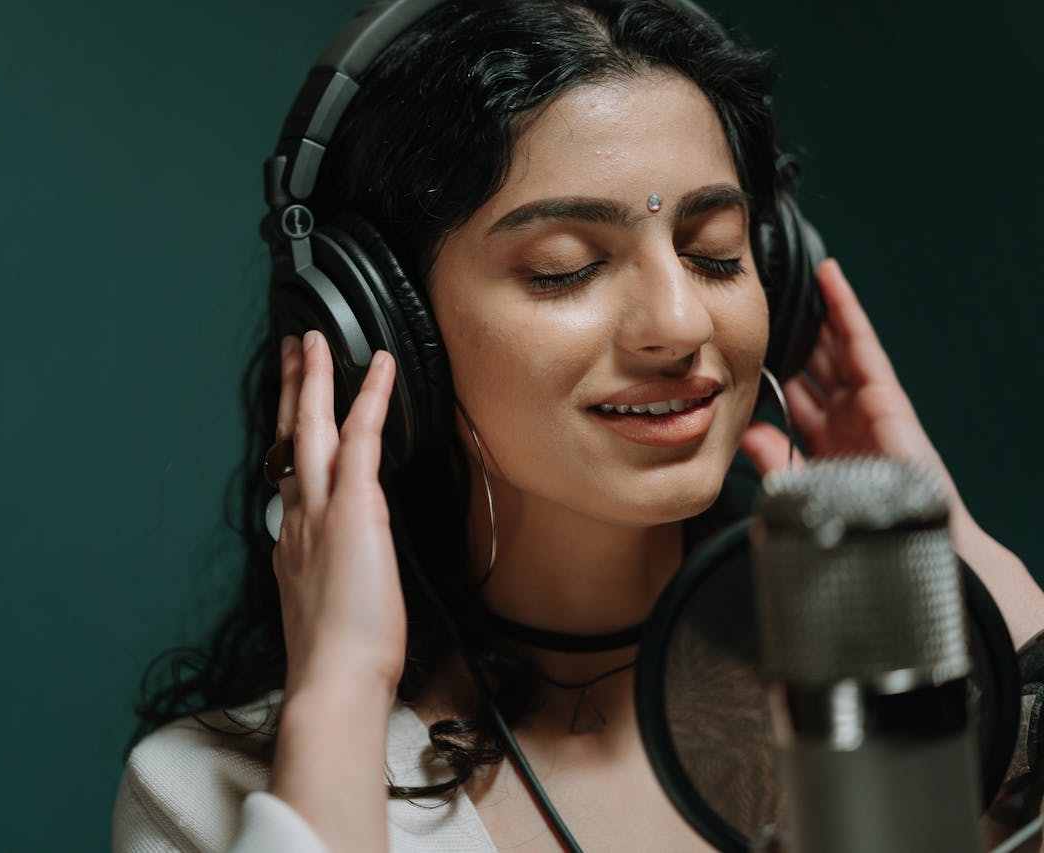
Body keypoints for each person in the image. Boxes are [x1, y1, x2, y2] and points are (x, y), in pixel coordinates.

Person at [113, 0, 1044, 850]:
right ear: (382, 336)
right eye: (564, 268)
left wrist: (980, 584)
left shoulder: (920, 714)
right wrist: (342, 698)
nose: (679, 325)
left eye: (713, 254)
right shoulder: (208, 792)